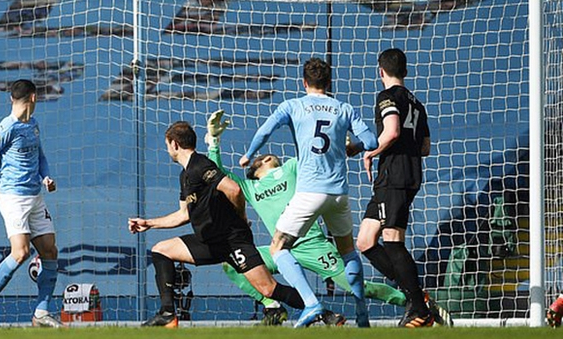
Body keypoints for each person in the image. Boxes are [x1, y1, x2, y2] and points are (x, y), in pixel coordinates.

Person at [205, 110, 406, 327]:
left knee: (360, 287)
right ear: (258, 166)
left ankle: (413, 301)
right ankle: (272, 305)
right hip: (279, 249)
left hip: (312, 245)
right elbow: (217, 174)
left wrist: (339, 141)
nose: (264, 155)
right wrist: (213, 142)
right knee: (232, 263)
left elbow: (318, 157)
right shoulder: (249, 188)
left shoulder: (292, 166)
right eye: (260, 157)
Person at [239, 57, 379, 327]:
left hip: (310, 192)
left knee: (278, 248)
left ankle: (311, 303)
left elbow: (265, 130)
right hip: (339, 194)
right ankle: (362, 315)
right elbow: (372, 141)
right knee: (348, 253)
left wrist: (249, 155)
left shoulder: (293, 106)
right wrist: (356, 146)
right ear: (329, 83)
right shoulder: (344, 108)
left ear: (304, 82)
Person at [128, 121, 307, 328]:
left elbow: (234, 190)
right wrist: (149, 223)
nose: (167, 150)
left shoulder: (200, 165)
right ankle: (168, 314)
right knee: (161, 251)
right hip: (209, 243)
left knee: (268, 289)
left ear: (175, 144)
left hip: (232, 240)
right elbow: (183, 214)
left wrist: (241, 217)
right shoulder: (185, 175)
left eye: (167, 145)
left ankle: (320, 311)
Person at [0, 79, 62, 328]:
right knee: (21, 253)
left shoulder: (33, 125)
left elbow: (40, 156)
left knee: (50, 251)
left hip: (35, 197)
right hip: (13, 198)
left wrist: (46, 177)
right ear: (34, 97)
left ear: (13, 98)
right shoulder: (5, 128)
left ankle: (41, 312)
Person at [354, 48, 433, 328]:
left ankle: (420, 309)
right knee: (365, 241)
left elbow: (392, 131)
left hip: (395, 176)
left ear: (381, 71)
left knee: (392, 240)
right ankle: (415, 295)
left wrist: (371, 153)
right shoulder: (418, 104)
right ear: (406, 71)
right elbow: (425, 148)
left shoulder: (386, 97)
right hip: (404, 175)